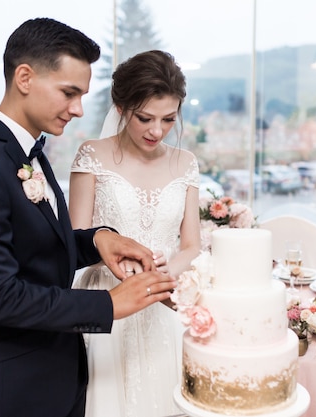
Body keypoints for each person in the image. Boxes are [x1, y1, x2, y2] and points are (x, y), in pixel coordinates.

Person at [0, 19, 177, 417]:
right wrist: (109, 305)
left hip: (59, 373)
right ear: (24, 77)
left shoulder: (30, 150)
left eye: (81, 95)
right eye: (69, 93)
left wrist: (97, 239)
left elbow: (40, 246)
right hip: (9, 391)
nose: (78, 109)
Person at [68, 50, 201, 417]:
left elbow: (191, 246)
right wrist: (119, 266)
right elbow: (76, 238)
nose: (156, 130)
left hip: (163, 304)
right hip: (107, 300)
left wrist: (164, 275)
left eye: (169, 119)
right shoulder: (91, 155)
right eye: (145, 118)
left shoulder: (186, 163)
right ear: (121, 106)